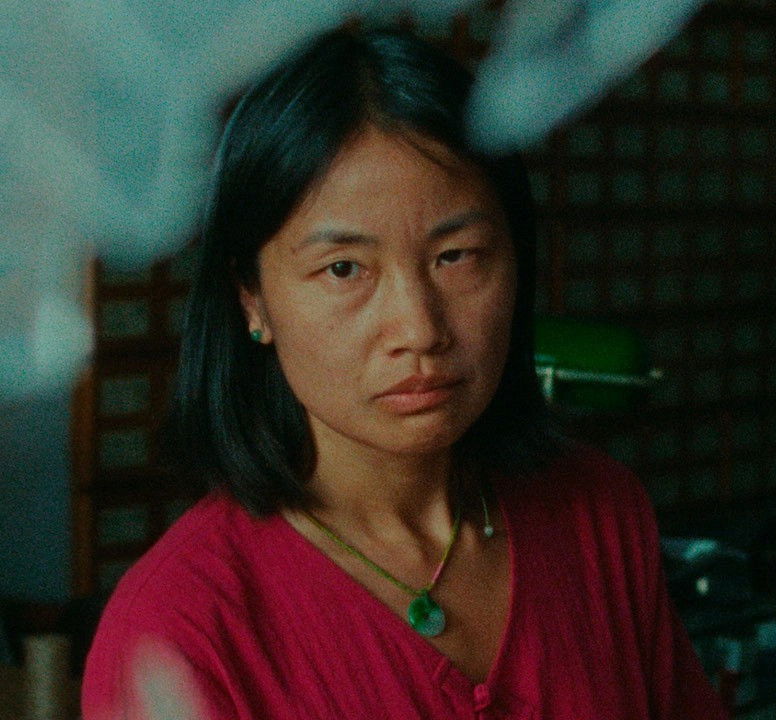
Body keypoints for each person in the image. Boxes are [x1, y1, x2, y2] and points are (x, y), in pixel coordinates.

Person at [82, 22, 725, 720]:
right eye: (344, 269)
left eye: (457, 256)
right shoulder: (179, 630)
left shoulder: (599, 514)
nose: (419, 329)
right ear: (252, 299)